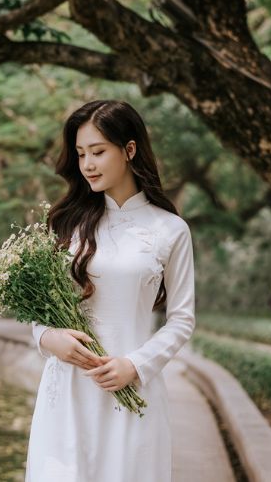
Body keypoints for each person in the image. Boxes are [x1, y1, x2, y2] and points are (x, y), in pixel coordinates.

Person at [24, 99, 196, 481]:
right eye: (82, 154)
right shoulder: (67, 225)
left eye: (98, 152)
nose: (87, 164)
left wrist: (135, 365)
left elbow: (182, 319)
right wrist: (48, 338)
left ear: (129, 150)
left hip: (131, 390)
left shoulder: (170, 230)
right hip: (66, 393)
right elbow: (39, 312)